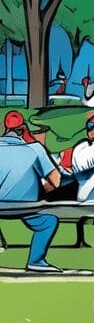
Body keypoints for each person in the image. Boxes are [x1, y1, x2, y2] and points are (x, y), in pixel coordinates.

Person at [0, 116, 63, 272]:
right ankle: (36, 261)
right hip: (26, 206)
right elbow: (56, 180)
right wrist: (38, 191)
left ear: (5, 128)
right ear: (23, 129)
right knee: (49, 222)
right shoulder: (35, 148)